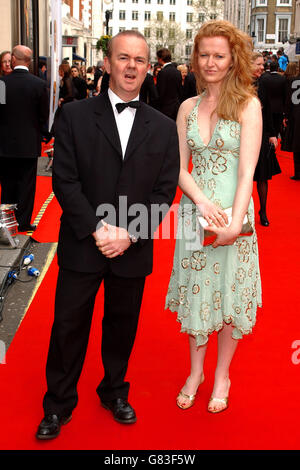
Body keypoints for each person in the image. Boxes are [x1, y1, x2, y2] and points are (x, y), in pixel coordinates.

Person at [36, 30, 180, 440]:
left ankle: (114, 391)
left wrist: (130, 234)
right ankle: (58, 403)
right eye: (123, 58)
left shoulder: (163, 127)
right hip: (84, 242)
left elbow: (164, 191)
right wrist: (99, 229)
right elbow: (64, 180)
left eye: (139, 60)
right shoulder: (75, 115)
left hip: (132, 249)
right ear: (107, 63)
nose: (131, 66)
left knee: (122, 325)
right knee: (68, 325)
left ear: (148, 68)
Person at [165, 20, 262, 414]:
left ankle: (221, 374)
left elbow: (246, 174)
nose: (209, 62)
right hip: (194, 215)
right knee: (197, 298)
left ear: (232, 59)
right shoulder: (187, 107)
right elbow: (178, 166)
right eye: (203, 54)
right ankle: (195, 372)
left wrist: (235, 224)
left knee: (228, 298)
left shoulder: (247, 105)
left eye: (218, 55)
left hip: (234, 215)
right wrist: (202, 203)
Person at [0, 45, 49, 232]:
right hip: (28, 143)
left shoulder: (3, 83)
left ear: (13, 59)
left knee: (7, 184)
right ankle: (23, 222)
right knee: (27, 186)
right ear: (29, 61)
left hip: (5, 143)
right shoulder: (38, 85)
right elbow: (43, 115)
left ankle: (6, 222)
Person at [252, 53, 281, 227]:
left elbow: (267, 110)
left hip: (260, 135)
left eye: (263, 64)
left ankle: (263, 210)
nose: (263, 67)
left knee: (262, 176)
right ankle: (243, 211)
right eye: (259, 64)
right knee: (242, 178)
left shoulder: (261, 84)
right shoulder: (236, 84)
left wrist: (272, 134)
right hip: (239, 136)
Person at [156, 48, 182, 120]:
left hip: (164, 109)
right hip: (176, 108)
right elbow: (180, 91)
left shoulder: (162, 73)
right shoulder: (178, 72)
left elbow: (160, 92)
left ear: (160, 59)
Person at [284, 62, 300, 179]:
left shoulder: (293, 81)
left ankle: (298, 173)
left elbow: (289, 100)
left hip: (296, 115)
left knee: (297, 144)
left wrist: (287, 116)